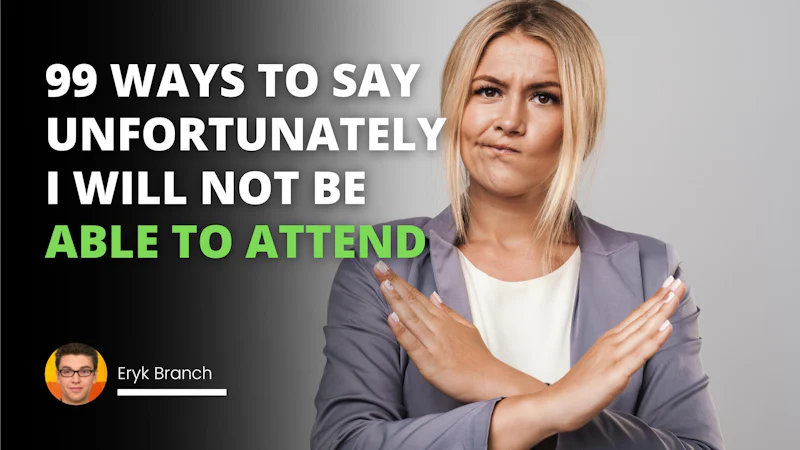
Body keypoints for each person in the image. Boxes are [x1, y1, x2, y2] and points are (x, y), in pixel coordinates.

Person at [311, 0, 725, 448]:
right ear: (456, 106)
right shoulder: (384, 262)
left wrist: (494, 378)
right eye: (488, 90)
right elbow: (344, 442)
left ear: (579, 122)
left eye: (544, 97)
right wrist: (553, 405)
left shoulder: (650, 271)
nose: (509, 121)